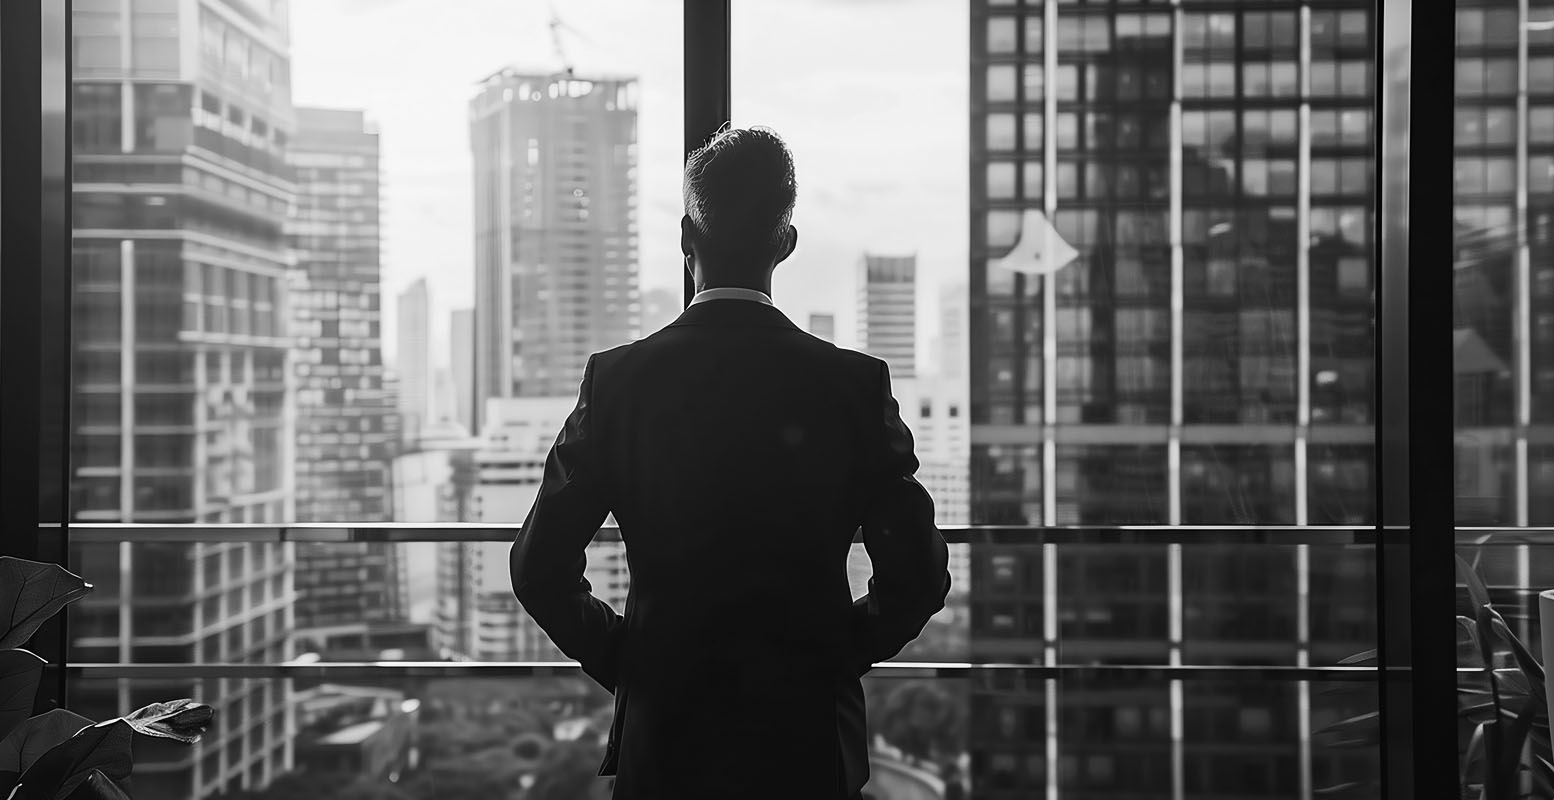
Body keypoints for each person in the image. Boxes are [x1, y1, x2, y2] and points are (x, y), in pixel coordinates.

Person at [510, 126, 951, 800]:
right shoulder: (852, 387)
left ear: (687, 237)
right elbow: (917, 577)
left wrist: (635, 663)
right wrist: (829, 656)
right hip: (806, 750)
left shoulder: (619, 383)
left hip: (668, 746)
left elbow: (539, 568)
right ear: (786, 243)